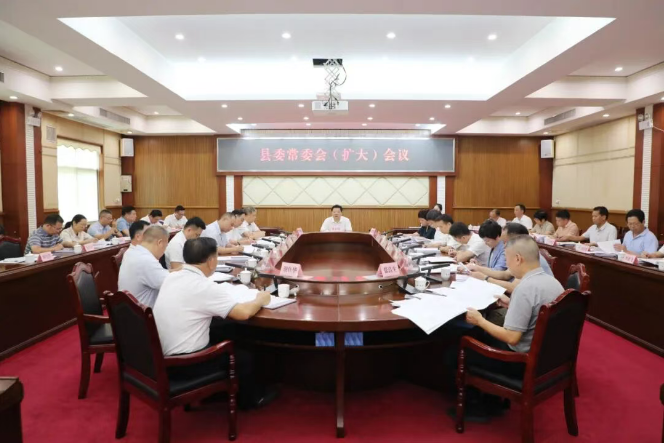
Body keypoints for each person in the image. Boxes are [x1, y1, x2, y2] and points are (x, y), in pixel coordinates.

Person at [153, 237, 276, 409]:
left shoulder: (171, 277)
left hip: (161, 356)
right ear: (211, 261)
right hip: (186, 364)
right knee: (244, 356)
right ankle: (251, 399)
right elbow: (243, 313)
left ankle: (215, 393)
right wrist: (260, 299)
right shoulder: (203, 287)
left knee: (223, 329)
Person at [467, 223, 553, 294]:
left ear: (519, 240)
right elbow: (505, 274)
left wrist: (485, 278)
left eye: (506, 242)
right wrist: (477, 268)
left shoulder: (527, 257)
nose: (503, 246)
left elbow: (514, 288)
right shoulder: (522, 253)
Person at [118, 226, 169, 308]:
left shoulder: (131, 252)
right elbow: (171, 283)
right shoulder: (146, 260)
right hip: (144, 313)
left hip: (128, 309)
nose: (164, 252)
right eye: (166, 246)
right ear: (160, 243)